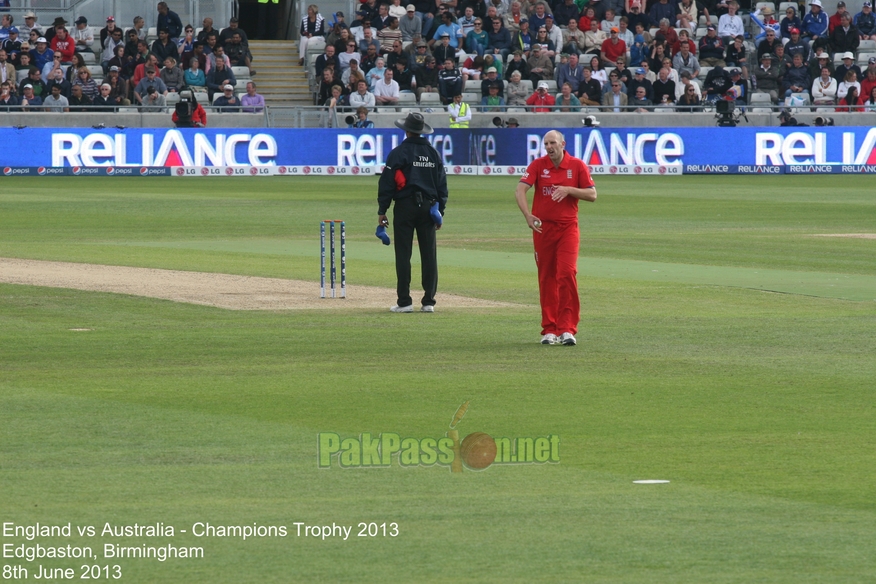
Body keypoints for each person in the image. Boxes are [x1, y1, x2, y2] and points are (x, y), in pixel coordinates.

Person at [515, 130, 596, 346]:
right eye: (546, 144)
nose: (549, 147)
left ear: (563, 144)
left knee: (567, 273)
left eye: (553, 143)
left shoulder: (577, 165)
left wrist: (569, 189)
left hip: (568, 228)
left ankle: (567, 329)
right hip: (543, 230)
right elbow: (520, 190)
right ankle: (549, 329)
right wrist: (528, 215)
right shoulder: (538, 165)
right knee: (546, 277)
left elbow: (592, 194)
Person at [378, 112, 448, 313]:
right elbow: (442, 185)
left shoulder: (399, 152)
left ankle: (405, 301)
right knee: (429, 255)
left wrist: (382, 211)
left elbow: (387, 183)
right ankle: (428, 302)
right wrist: (440, 210)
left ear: (406, 131)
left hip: (405, 207)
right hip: (428, 208)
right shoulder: (433, 153)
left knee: (403, 254)